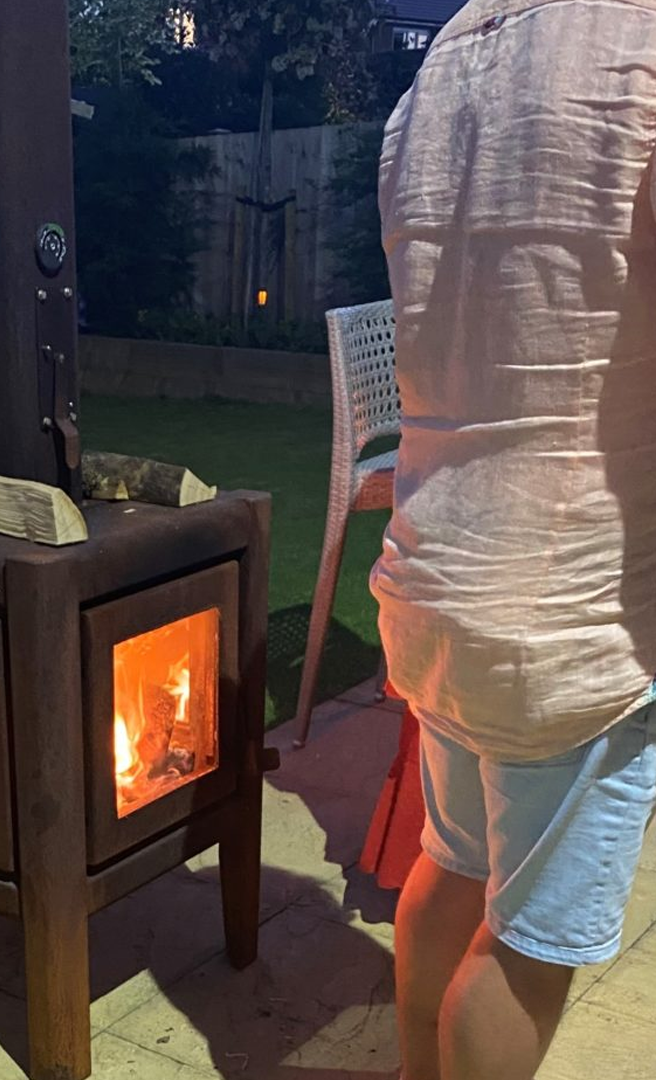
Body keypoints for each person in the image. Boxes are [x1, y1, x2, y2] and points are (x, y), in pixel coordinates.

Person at [370, 2, 656, 1078]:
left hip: (437, 565)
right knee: (528, 945)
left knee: (453, 862)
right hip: (574, 605)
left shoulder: (444, 56)